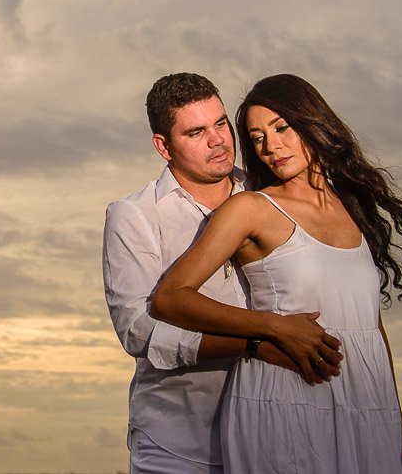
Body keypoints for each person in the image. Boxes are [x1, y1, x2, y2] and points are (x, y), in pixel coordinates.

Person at [151, 74, 402, 474]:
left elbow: (370, 325)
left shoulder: (351, 208)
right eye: (256, 138)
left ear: (312, 121)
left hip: (367, 403)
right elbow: (170, 297)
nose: (271, 147)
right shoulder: (250, 208)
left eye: (281, 128)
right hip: (285, 395)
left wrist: (399, 424)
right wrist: (272, 327)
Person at [103, 73, 341, 474]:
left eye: (221, 123)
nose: (218, 141)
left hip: (278, 426)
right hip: (181, 441)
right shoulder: (134, 215)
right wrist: (255, 340)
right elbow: (139, 331)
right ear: (164, 146)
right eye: (196, 132)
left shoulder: (267, 194)